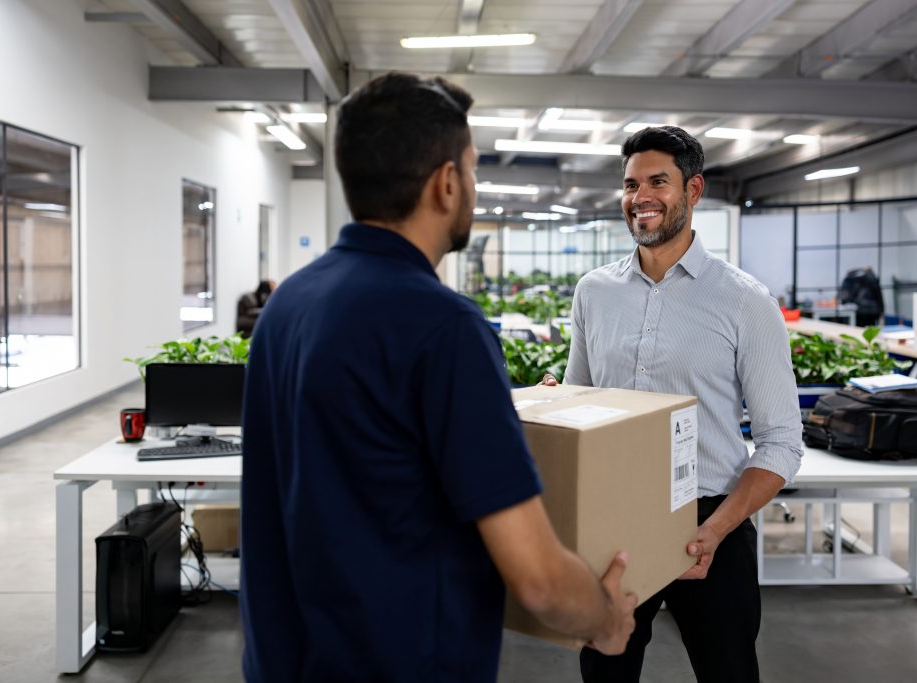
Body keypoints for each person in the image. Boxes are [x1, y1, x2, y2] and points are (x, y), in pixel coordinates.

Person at [238, 72, 637, 683]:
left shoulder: (287, 305)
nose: (473, 187)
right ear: (446, 183)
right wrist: (607, 622)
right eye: (472, 170)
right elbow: (537, 577)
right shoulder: (443, 327)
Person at [546, 126, 803, 682]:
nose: (640, 196)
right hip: (614, 521)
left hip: (712, 519)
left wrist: (717, 529)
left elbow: (781, 443)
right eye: (630, 184)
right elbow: (581, 399)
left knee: (728, 671)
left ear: (693, 190)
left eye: (657, 182)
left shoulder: (745, 302)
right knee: (605, 672)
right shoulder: (595, 291)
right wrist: (557, 403)